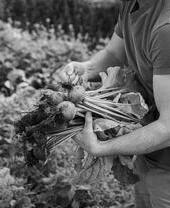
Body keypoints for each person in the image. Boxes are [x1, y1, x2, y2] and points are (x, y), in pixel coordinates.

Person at [57, 0, 170, 207]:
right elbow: (114, 54)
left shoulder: (166, 31)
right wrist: (86, 68)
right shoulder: (132, 3)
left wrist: (101, 147)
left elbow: (168, 127)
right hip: (148, 149)